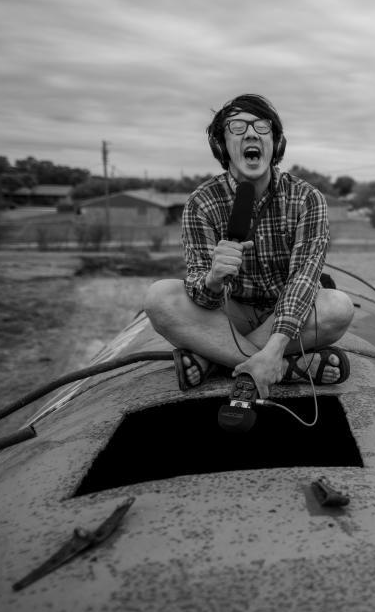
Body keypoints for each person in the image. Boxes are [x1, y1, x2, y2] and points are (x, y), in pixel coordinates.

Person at [143, 93, 354, 399]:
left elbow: (303, 280)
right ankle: (287, 368)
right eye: (237, 127)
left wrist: (275, 346)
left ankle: (216, 360)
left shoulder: (307, 198)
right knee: (159, 298)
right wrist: (213, 278)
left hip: (287, 315)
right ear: (222, 145)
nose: (252, 133)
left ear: (276, 143)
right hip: (227, 316)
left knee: (337, 306)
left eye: (262, 127)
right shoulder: (202, 203)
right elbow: (202, 298)